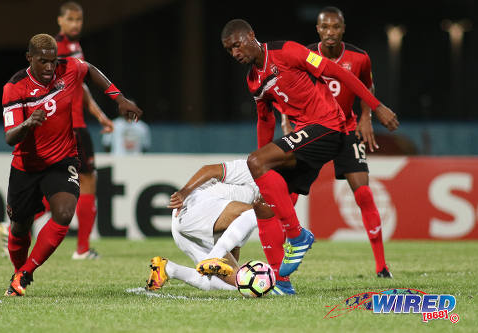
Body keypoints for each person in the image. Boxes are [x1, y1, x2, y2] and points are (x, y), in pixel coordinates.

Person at [220, 19, 399, 278]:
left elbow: (339, 73)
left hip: (330, 125)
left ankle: (298, 237)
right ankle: (279, 279)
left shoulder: (287, 51)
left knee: (361, 193)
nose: (235, 53)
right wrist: (265, 166)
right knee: (265, 204)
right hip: (307, 135)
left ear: (250, 36)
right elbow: (265, 119)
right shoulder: (253, 80)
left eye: (237, 45)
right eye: (229, 50)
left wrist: (375, 106)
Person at [2, 33, 142, 296]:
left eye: (53, 61)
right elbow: (10, 137)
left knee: (65, 213)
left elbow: (89, 69)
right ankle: (17, 274)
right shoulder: (15, 87)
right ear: (29, 58)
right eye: (42, 61)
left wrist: (119, 99)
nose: (49, 67)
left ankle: (25, 272)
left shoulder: (68, 69)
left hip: (62, 159)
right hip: (26, 166)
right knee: (20, 228)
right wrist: (28, 123)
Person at [304, 6, 391, 277]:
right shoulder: (305, 56)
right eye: (325, 27)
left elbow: (367, 87)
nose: (330, 32)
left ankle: (381, 266)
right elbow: (290, 88)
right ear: (318, 29)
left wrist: (366, 117)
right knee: (289, 192)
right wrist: (287, 120)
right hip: (314, 130)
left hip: (346, 130)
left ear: (343, 29)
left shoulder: (359, 57)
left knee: (363, 194)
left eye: (336, 27)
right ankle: (279, 264)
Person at [146, 160, 295, 295]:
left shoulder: (246, 214)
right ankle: (213, 257)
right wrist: (183, 192)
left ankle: (168, 269)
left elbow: (233, 245)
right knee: (255, 214)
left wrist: (239, 274)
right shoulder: (256, 168)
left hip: (187, 230)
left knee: (235, 284)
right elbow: (209, 170)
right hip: (192, 208)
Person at [56, 1, 114, 259]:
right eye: (70, 19)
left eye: (79, 20)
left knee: (61, 184)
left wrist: (99, 114)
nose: (75, 24)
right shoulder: (57, 49)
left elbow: (81, 86)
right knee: (86, 183)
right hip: (72, 127)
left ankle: (13, 222)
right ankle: (82, 249)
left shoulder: (75, 48)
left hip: (77, 124)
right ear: (60, 21)